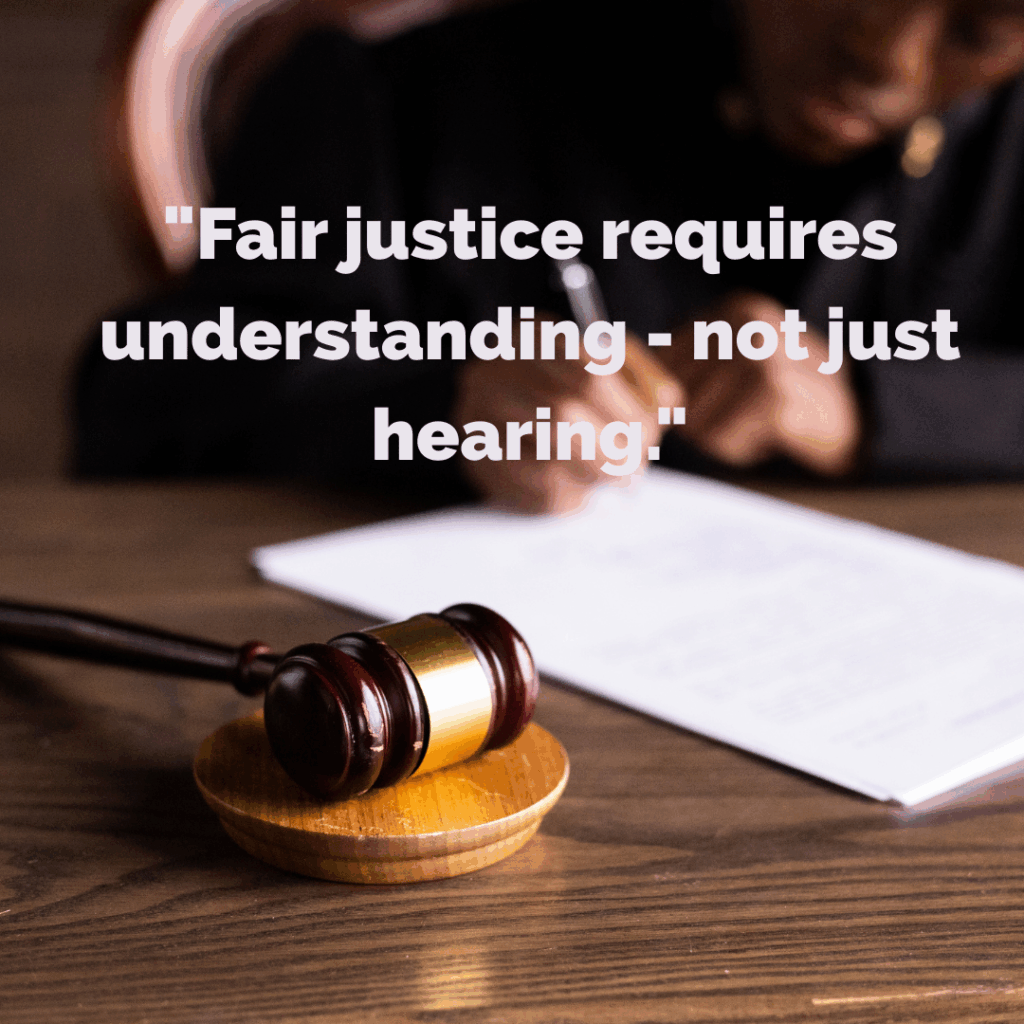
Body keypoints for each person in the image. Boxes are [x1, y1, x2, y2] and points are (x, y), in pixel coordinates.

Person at [77, 0, 1024, 511]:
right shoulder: (398, 98)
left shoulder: (1007, 140)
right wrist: (443, 406)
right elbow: (138, 398)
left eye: (977, 29)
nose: (885, 54)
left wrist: (865, 404)